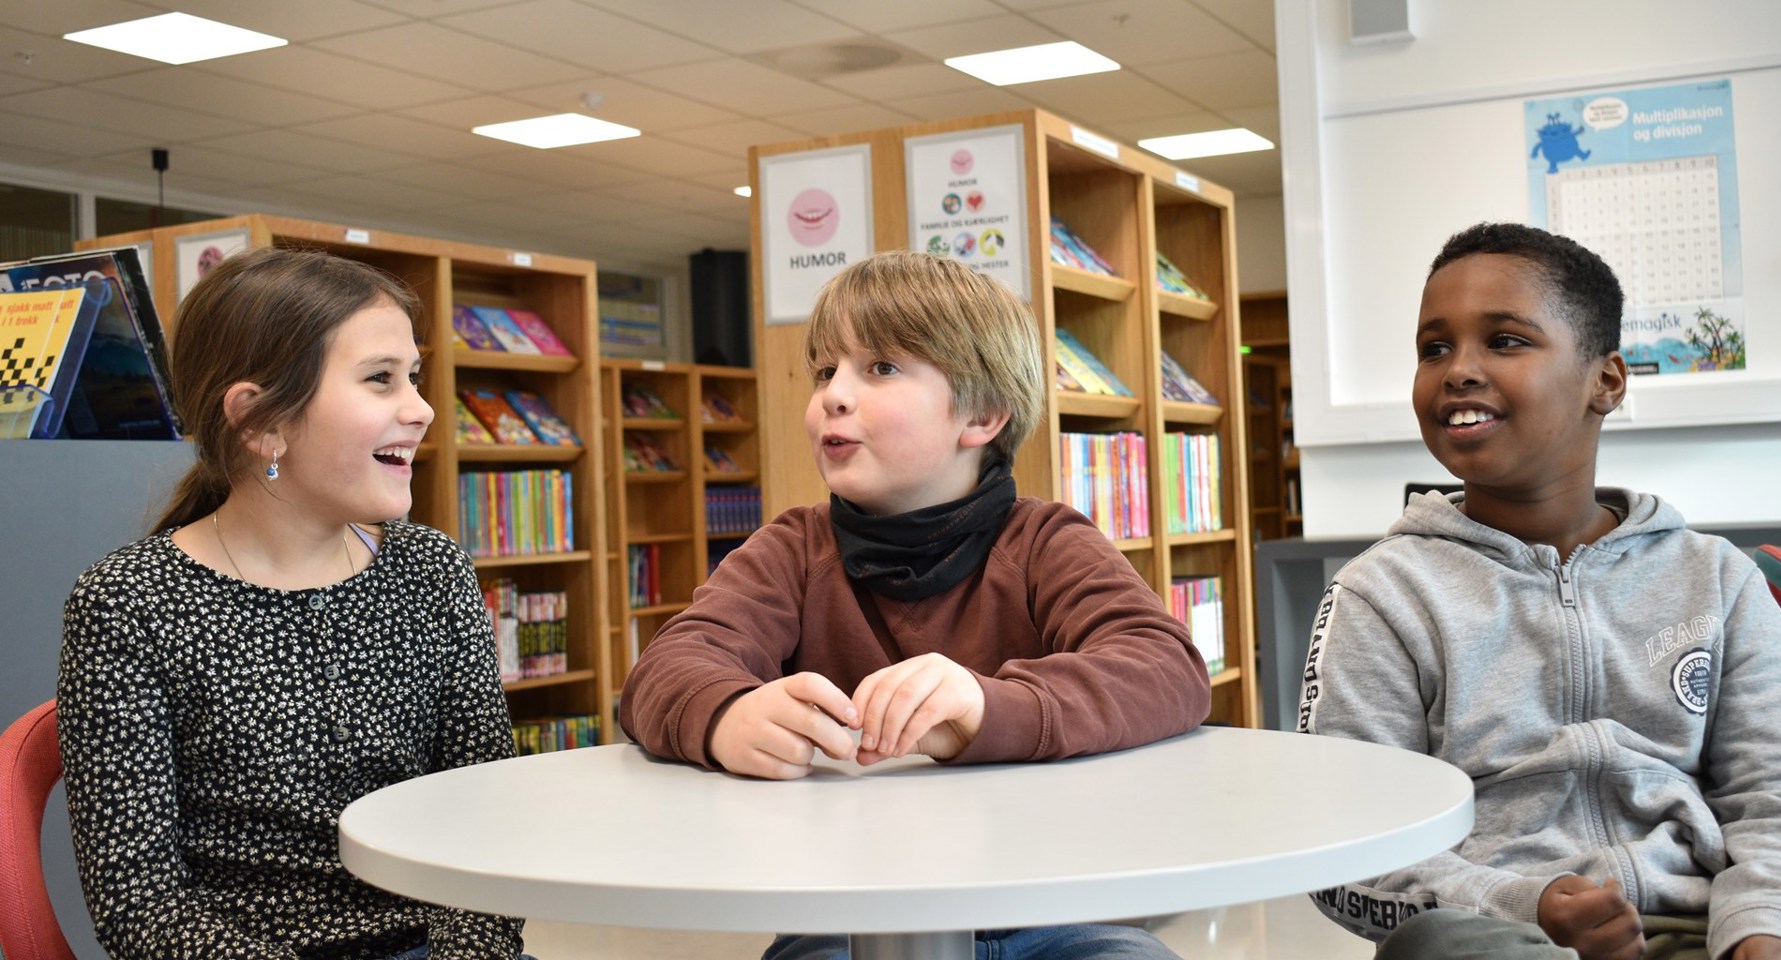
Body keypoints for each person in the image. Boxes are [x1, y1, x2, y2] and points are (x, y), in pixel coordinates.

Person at [618, 250, 1210, 960]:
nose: (834, 395)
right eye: (824, 372)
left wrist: (988, 709)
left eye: (881, 368)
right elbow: (663, 671)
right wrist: (723, 715)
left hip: (1052, 904)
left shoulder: (1045, 541)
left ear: (984, 413)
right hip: (845, 919)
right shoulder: (792, 550)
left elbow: (1167, 667)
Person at [1296, 222, 1781, 960]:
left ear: (1607, 380)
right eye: (1434, 348)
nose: (1459, 369)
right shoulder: (1381, 595)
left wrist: (1762, 925)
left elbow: (1779, 795)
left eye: (1504, 341)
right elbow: (1345, 851)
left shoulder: (1719, 580)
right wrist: (1521, 903)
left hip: (1708, 927)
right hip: (1505, 933)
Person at [58, 246, 529, 960]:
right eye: (380, 380)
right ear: (259, 422)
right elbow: (140, 905)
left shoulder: (433, 572)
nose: (424, 409)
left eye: (415, 378)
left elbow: (487, 828)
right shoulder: (129, 602)